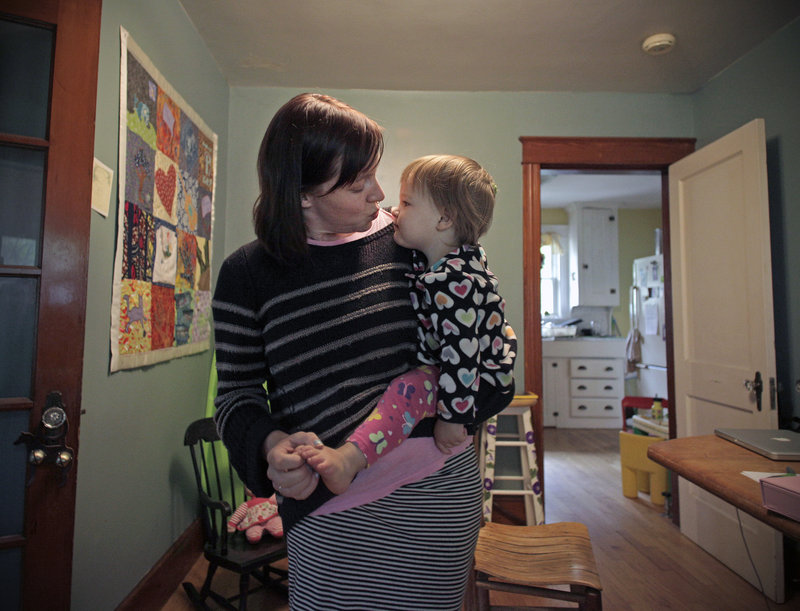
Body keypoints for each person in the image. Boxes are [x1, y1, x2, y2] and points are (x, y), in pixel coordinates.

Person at [212, 94, 512, 610]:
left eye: (375, 174)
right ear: (303, 194)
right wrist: (270, 448)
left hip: (436, 494)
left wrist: (472, 396)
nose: (379, 193)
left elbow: (479, 342)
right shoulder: (246, 275)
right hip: (331, 514)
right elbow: (236, 397)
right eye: (358, 184)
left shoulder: (409, 242)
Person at [297, 154, 517, 496]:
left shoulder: (454, 282)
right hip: (469, 372)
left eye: (407, 202)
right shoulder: (437, 258)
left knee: (408, 389)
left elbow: (462, 355)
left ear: (444, 218)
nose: (394, 210)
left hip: (479, 382)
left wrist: (453, 417)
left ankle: (351, 460)